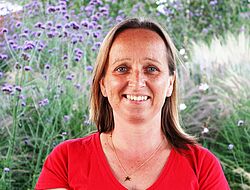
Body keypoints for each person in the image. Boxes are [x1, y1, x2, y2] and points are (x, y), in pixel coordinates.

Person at [35, 18, 230, 190]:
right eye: (122, 68)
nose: (137, 82)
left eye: (151, 69)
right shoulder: (66, 161)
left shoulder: (202, 166)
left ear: (170, 84)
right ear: (103, 84)